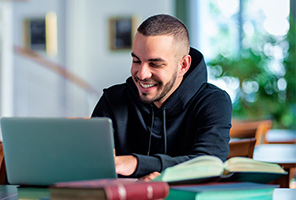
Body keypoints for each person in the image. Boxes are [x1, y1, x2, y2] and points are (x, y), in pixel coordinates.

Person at [91, 14, 232, 179]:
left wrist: (136, 163)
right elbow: (90, 163)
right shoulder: (112, 99)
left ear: (183, 65)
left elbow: (208, 165)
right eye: (136, 61)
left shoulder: (213, 102)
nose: (142, 74)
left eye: (155, 64)